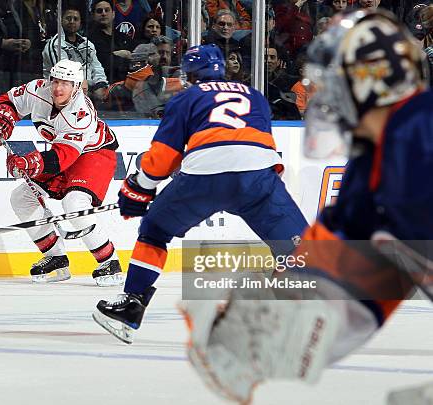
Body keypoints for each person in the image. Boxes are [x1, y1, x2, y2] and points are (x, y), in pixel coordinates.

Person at [180, 10, 432, 404]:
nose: (326, 94)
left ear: (372, 82)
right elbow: (358, 271)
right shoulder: (372, 163)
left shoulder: (418, 130)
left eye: (337, 81)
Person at [93, 44, 308, 344]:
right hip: (259, 176)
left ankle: (131, 306)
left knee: (154, 231)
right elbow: (250, 144)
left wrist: (140, 187)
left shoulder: (187, 97)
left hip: (204, 178)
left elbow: (162, 157)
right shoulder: (255, 96)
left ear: (190, 75)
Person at [0, 59, 123, 286]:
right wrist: (3, 116)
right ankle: (55, 257)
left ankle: (109, 261)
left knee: (74, 203)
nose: (58, 88)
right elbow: (9, 100)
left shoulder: (80, 114)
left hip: (94, 154)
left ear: (77, 86)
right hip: (62, 152)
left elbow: (63, 157)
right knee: (21, 198)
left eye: (65, 83)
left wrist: (30, 163)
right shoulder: (38, 90)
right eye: (55, 81)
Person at [42, 6, 109, 103]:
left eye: (76, 19)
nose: (72, 21)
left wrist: (101, 85)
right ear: (61, 21)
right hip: (61, 95)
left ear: (80, 22)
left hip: (89, 90)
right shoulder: (55, 45)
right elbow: (63, 75)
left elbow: (97, 67)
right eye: (68, 18)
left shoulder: (87, 44)